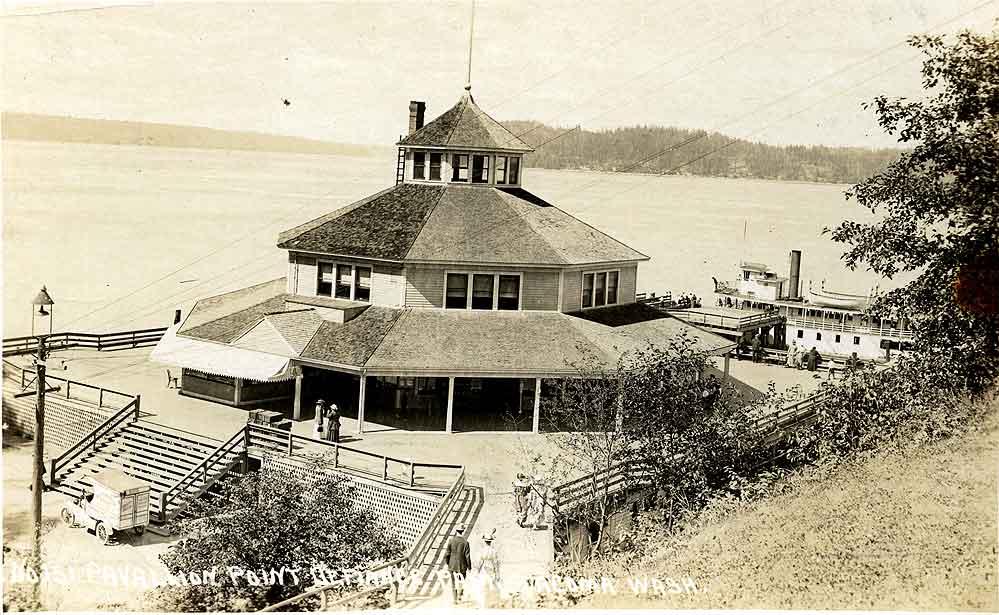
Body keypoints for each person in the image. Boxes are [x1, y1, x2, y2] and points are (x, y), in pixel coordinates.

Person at [443, 523, 471, 604]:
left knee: (453, 582)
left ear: (456, 530)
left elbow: (447, 554)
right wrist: (469, 567)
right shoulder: (466, 543)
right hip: (462, 566)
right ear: (463, 531)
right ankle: (460, 595)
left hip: (452, 565)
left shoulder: (451, 541)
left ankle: (454, 599)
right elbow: (467, 556)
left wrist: (448, 563)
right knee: (461, 581)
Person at [474, 529, 501, 608]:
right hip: (491, 570)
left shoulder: (482, 551)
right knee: (492, 586)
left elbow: (479, 563)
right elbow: (496, 564)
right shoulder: (494, 551)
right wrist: (497, 574)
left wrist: (477, 571)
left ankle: (483, 604)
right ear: (490, 541)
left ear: (485, 541)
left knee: (483, 587)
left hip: (483, 570)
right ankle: (490, 603)